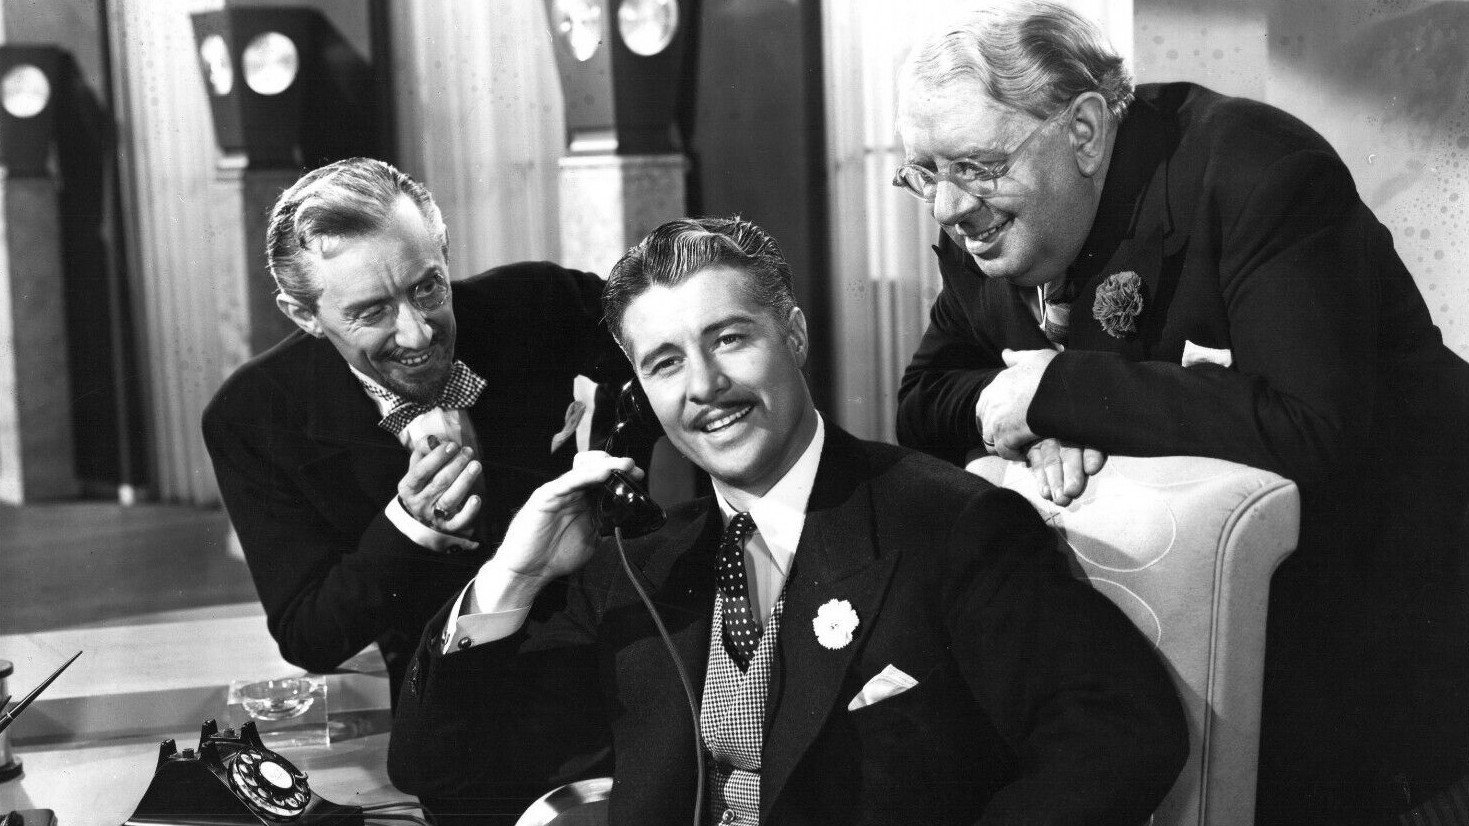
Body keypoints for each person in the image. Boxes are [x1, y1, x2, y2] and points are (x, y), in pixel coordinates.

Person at [388, 216, 1187, 823]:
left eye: (729, 339)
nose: (704, 385)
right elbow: (441, 773)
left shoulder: (950, 525)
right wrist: (512, 576)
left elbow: (1120, 735)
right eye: (665, 363)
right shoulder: (641, 564)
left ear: (794, 335)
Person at [891, 3, 1469, 822]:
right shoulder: (980, 219)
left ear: (1083, 131)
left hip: (1401, 622)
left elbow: (1310, 427)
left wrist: (1058, 394)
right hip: (1210, 652)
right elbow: (922, 399)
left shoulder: (1257, 168)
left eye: (974, 166)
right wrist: (1022, 410)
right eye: (922, 173)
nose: (947, 207)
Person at [201, 158, 633, 701]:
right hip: (443, 696)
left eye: (427, 287)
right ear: (304, 315)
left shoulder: (537, 299)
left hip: (616, 651)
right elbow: (308, 635)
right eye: (372, 312)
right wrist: (408, 527)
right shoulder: (251, 415)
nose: (418, 333)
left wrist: (614, 432)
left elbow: (661, 341)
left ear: (443, 252)